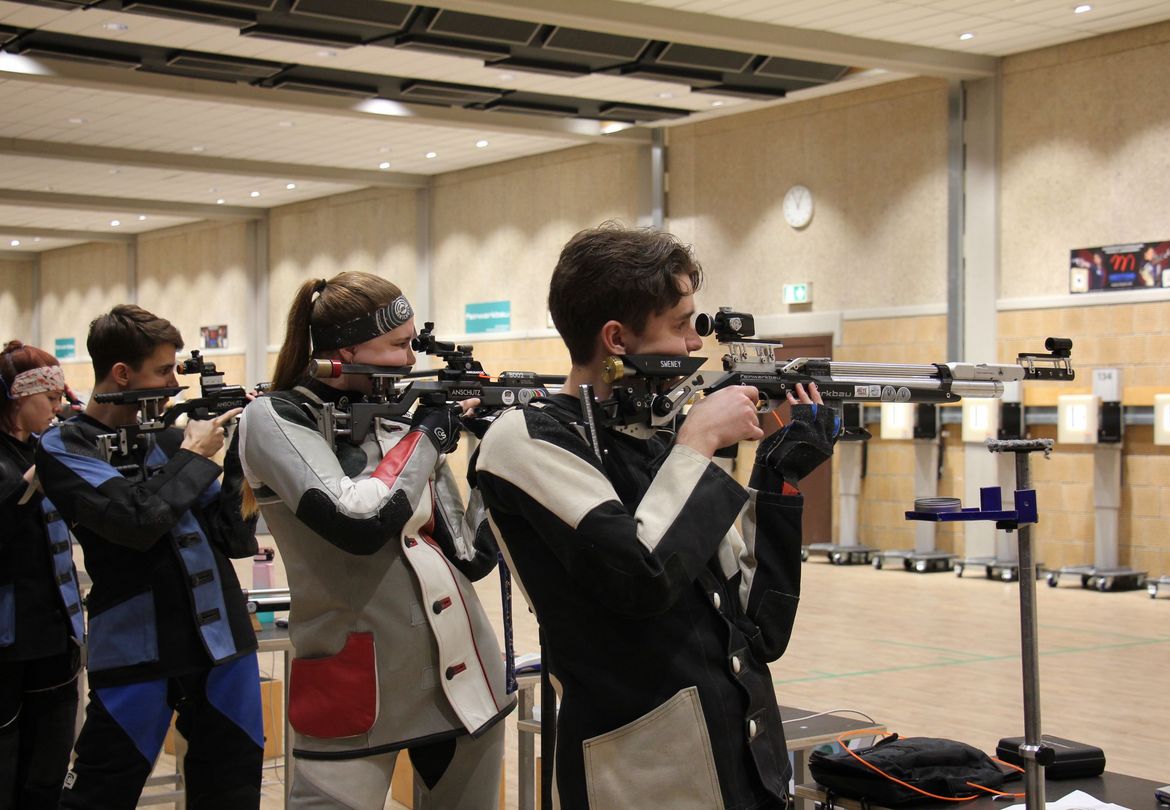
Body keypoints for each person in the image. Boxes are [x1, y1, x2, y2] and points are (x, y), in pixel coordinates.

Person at [473, 223, 840, 810]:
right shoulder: (526, 439)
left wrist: (778, 477)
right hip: (644, 770)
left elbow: (759, 627)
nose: (697, 344)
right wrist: (698, 445)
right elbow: (642, 577)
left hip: (743, 758)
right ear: (617, 338)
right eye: (680, 324)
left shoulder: (658, 436)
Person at [237, 272, 512, 809]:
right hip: (354, 687)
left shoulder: (399, 422)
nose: (412, 359)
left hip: (467, 679)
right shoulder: (274, 416)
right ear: (349, 349)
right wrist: (427, 435)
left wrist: (490, 451)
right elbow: (357, 521)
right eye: (399, 344)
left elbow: (469, 554)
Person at [36, 305, 262, 810]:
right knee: (100, 792)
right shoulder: (65, 445)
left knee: (235, 789)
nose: (172, 383)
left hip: (222, 644)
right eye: (163, 371)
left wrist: (242, 458)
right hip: (137, 647)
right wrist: (193, 456)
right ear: (122, 373)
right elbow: (135, 523)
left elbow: (231, 537)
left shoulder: (167, 436)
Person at [0, 341, 83, 810]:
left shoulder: (40, 447)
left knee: (49, 765)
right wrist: (38, 475)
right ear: (17, 396)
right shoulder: (23, 458)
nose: (57, 407)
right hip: (8, 643)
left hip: (54, 632)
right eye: (47, 399)